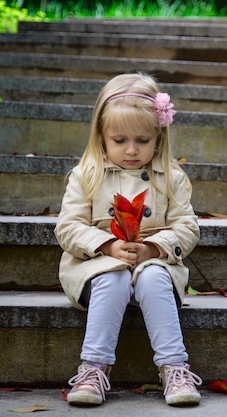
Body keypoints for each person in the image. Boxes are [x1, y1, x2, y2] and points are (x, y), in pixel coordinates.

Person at [54, 72, 202, 407]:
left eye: (142, 140)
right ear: (102, 136)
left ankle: (174, 367)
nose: (132, 150)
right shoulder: (87, 175)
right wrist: (106, 245)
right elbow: (68, 227)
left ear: (159, 138)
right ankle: (93, 367)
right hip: (96, 265)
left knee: (151, 276)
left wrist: (154, 247)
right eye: (120, 141)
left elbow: (187, 228)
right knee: (113, 274)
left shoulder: (171, 178)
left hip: (155, 264)